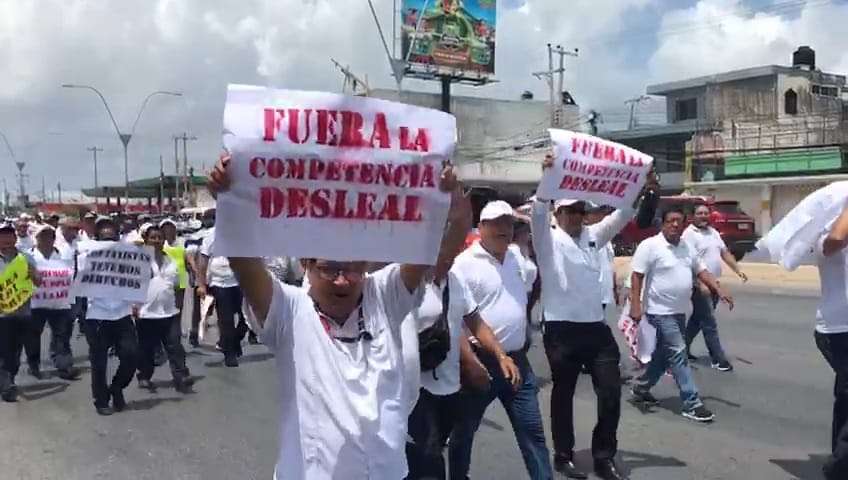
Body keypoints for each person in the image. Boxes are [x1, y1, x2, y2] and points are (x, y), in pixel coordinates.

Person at [206, 154, 445, 479]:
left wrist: (438, 193)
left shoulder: (384, 297)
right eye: (330, 269)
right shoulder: (290, 311)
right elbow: (243, 261)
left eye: (352, 268)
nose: (343, 280)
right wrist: (230, 200)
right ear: (306, 263)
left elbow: (423, 248)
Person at [404, 186, 522, 480]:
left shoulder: (456, 281)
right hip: (415, 389)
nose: (446, 252)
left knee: (434, 448)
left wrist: (500, 355)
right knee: (430, 457)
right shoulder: (408, 284)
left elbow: (477, 323)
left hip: (449, 385)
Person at [531, 184, 643, 478]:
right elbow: (538, 216)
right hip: (560, 329)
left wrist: (638, 188)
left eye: (581, 210)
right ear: (559, 212)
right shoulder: (548, 240)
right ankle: (563, 454)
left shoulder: (594, 236)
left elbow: (621, 215)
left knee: (610, 391)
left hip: (596, 329)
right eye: (570, 211)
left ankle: (604, 456)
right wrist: (546, 185)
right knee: (563, 393)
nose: (577, 217)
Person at [450, 200, 553, 480]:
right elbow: (455, 318)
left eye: (508, 223)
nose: (504, 229)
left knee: (532, 431)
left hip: (517, 361)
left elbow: (532, 285)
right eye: (496, 223)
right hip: (479, 362)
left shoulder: (517, 258)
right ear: (481, 227)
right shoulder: (463, 265)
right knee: (464, 431)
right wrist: (469, 360)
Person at [629, 207, 734, 423]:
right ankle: (692, 402)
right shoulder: (650, 246)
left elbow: (701, 270)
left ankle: (640, 388)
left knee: (663, 354)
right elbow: (637, 276)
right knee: (678, 351)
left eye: (679, 221)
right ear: (662, 223)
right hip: (659, 311)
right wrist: (636, 306)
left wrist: (718, 289)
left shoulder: (686, 247)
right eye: (670, 221)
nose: (675, 225)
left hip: (679, 311)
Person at [82, 216, 140, 416]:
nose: (107, 231)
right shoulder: (85, 252)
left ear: (117, 231)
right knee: (99, 363)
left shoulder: (129, 250)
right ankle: (101, 400)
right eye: (102, 228)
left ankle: (116, 387)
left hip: (122, 313)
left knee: (131, 355)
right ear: (96, 233)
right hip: (97, 314)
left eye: (110, 227)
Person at [682, 204, 748, 372]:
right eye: (700, 213)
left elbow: (724, 253)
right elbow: (689, 261)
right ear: (693, 216)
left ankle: (681, 350)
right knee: (709, 322)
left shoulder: (713, 233)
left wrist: (738, 270)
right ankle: (718, 359)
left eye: (706, 213)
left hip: (715, 284)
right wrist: (700, 283)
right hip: (700, 285)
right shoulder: (689, 235)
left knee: (697, 320)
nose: (703, 216)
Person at [135, 225, 193, 394]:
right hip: (146, 313)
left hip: (169, 312)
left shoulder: (172, 261)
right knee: (146, 348)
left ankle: (181, 376)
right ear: (146, 240)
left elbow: (179, 286)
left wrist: (180, 305)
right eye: (153, 237)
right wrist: (133, 306)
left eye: (159, 237)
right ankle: (144, 376)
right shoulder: (138, 262)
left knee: (175, 345)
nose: (157, 241)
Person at [814, 204, 848, 479]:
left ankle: (840, 463)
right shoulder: (825, 238)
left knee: (846, 400)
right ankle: (838, 467)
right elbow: (835, 240)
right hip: (837, 331)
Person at [29, 224, 80, 380]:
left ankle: (63, 366)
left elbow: (75, 274)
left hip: (60, 303)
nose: (46, 240)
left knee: (61, 335)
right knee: (33, 336)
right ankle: (34, 364)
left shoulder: (64, 255)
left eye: (50, 236)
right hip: (35, 304)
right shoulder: (27, 256)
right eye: (42, 236)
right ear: (36, 239)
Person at [197, 223, 250, 366]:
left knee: (247, 317)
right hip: (219, 282)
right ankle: (230, 354)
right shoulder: (211, 235)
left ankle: (234, 340)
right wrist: (201, 284)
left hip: (240, 280)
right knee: (226, 320)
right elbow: (203, 261)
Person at [0, 222, 41, 402]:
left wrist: (33, 273)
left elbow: (38, 281)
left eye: (9, 236)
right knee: (4, 351)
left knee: (15, 352)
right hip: (2, 316)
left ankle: (8, 377)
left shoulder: (25, 258)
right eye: (2, 237)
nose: (6, 240)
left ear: (15, 238)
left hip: (23, 313)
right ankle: (6, 384)